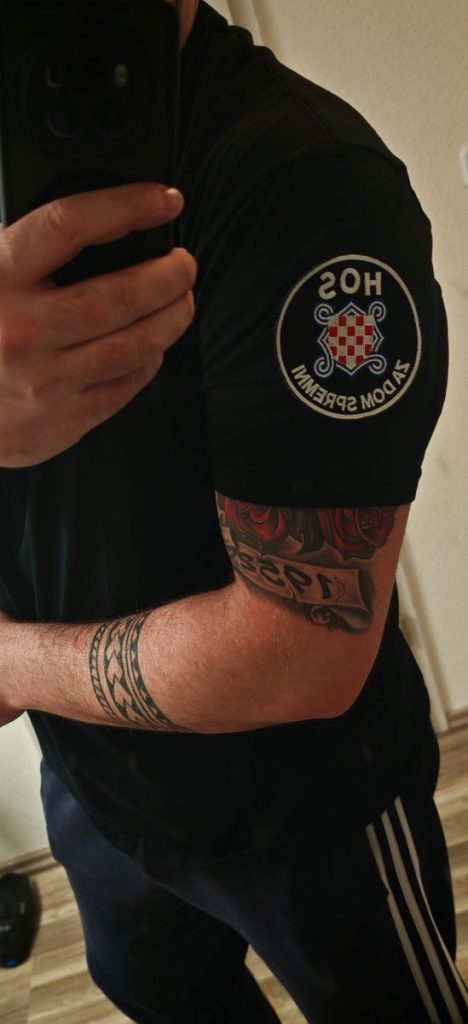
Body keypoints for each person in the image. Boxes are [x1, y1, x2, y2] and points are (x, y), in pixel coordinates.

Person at [0, 1, 467, 1021]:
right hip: (93, 785)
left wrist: (10, 664)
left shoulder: (306, 179)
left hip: (307, 810)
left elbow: (302, 650)